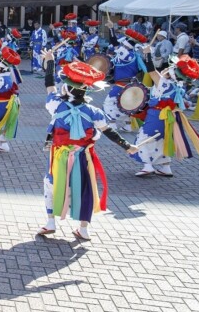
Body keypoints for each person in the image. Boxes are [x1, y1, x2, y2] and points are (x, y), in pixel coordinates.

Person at [38, 54, 136, 241]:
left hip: (59, 156)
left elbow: (49, 85)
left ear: (67, 88)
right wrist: (127, 146)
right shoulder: (94, 112)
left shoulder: (56, 105)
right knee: (85, 188)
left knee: (50, 185)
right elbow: (109, 132)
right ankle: (83, 229)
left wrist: (50, 61)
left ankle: (50, 222)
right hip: (83, 156)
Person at [132, 50, 199, 177]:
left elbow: (151, 71)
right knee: (163, 140)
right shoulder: (178, 86)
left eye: (169, 67)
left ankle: (147, 166)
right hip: (170, 117)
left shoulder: (164, 83)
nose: (166, 68)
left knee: (143, 138)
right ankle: (166, 167)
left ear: (171, 72)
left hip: (157, 115)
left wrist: (147, 54)